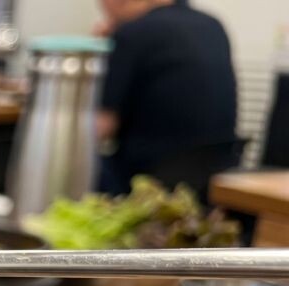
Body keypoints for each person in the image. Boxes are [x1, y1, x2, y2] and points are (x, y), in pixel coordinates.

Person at [96, 0, 238, 195]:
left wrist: (98, 53)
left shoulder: (133, 32)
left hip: (148, 181)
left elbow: (100, 127)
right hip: (213, 179)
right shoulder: (213, 26)